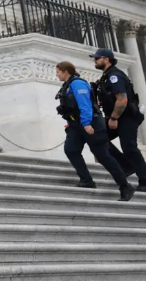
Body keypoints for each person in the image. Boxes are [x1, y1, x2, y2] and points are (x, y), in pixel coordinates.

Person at [56, 60, 135, 201]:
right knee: (71, 150)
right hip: (76, 126)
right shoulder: (67, 86)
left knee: (103, 156)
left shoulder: (77, 84)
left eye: (58, 72)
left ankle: (124, 185)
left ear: (65, 71)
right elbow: (69, 108)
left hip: (91, 124)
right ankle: (87, 180)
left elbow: (85, 105)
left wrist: (86, 123)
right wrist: (70, 124)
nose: (56, 75)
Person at [91, 47, 146, 184]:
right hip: (116, 116)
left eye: (97, 58)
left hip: (126, 117)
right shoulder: (106, 76)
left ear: (106, 59)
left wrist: (114, 118)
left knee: (129, 147)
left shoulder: (114, 75)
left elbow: (122, 99)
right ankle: (125, 166)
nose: (95, 61)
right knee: (98, 139)